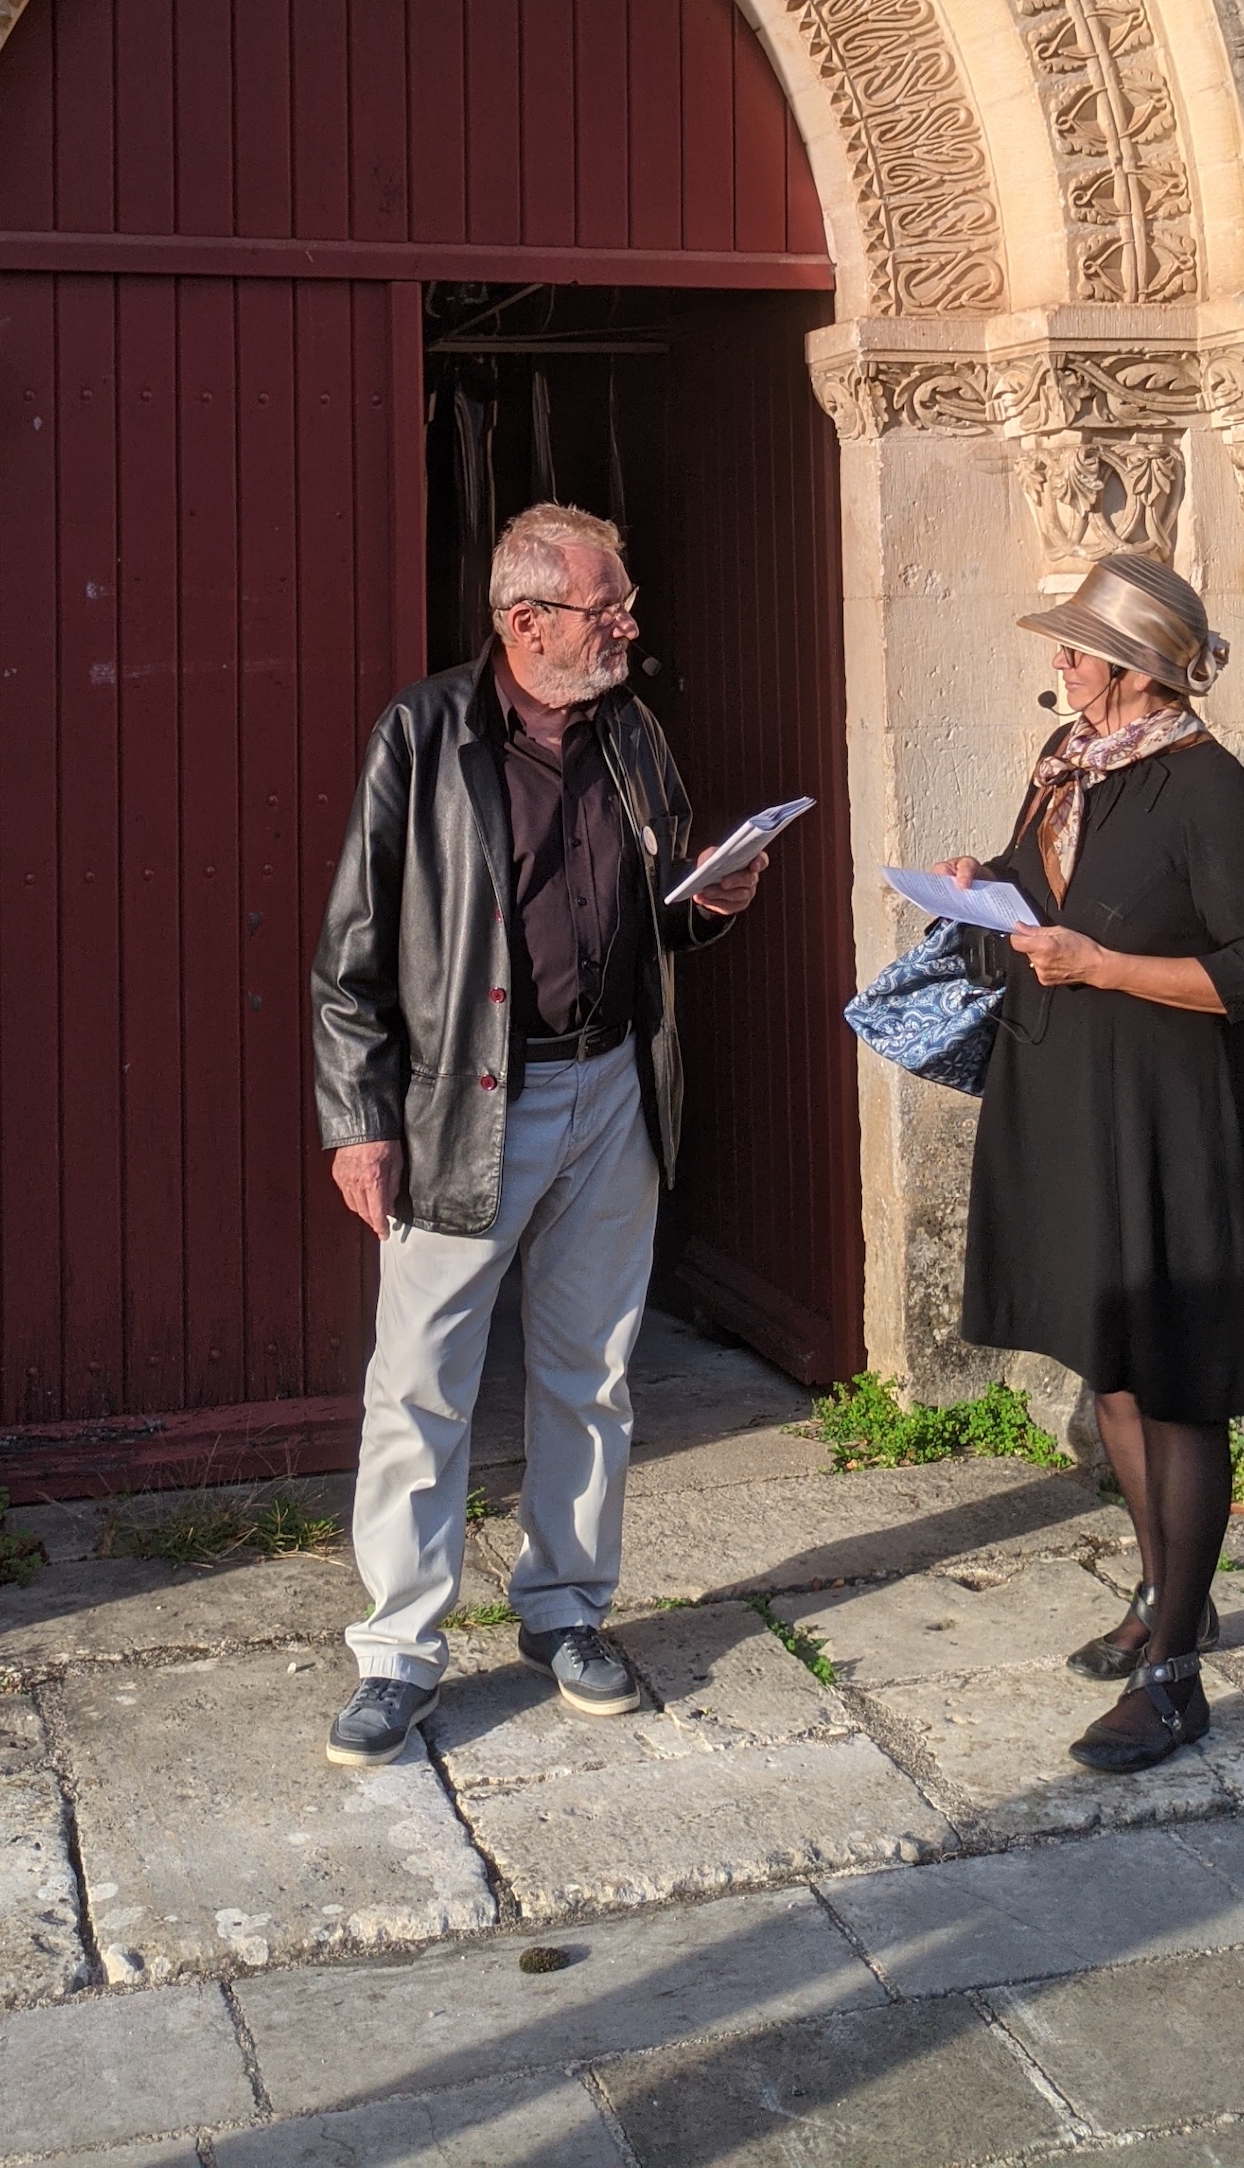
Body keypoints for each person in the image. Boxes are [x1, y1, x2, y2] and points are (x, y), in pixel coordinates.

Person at [311, 499, 766, 1766]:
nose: (627, 626)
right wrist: (359, 1120)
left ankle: (566, 1611)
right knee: (421, 1383)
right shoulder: (424, 735)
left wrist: (712, 900)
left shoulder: (633, 735)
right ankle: (398, 1651)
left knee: (593, 1371)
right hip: (465, 1105)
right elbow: (350, 955)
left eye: (621, 605)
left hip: (610, 1086)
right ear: (526, 623)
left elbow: (655, 918)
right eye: (604, 608)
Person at [945, 549, 1244, 1773]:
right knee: (1108, 1353)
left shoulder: (1207, 793)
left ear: (1133, 671)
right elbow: (1041, 900)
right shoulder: (1063, 769)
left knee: (1175, 1379)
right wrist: (977, 893)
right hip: (1062, 1104)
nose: (1059, 663)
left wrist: (1104, 969)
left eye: (1076, 648)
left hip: (1165, 1117)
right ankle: (1167, 1595)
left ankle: (1175, 1680)